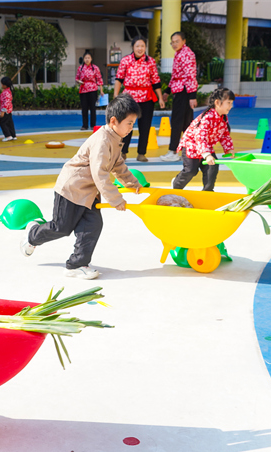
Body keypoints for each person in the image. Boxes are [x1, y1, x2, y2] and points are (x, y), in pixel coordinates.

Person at [20, 94, 142, 280]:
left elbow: (118, 166)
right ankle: (32, 234)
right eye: (129, 123)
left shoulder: (115, 139)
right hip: (72, 189)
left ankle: (76, 264)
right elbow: (99, 173)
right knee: (61, 227)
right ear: (114, 120)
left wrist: (133, 184)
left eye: (133, 123)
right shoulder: (102, 140)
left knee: (92, 225)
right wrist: (116, 199)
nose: (131, 128)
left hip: (88, 193)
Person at [171, 88, 236, 191]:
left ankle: (207, 191)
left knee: (212, 168)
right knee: (191, 170)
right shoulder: (207, 117)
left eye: (231, 103)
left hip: (206, 147)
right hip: (192, 146)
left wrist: (229, 149)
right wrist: (206, 154)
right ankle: (176, 185)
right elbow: (200, 137)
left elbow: (224, 135)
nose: (231, 106)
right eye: (228, 103)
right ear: (217, 103)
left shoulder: (223, 118)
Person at [113, 36, 166, 162]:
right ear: (133, 47)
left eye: (142, 46)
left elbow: (156, 81)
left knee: (145, 127)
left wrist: (160, 98)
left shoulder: (151, 62)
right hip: (129, 98)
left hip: (146, 98)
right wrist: (116, 95)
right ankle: (123, 152)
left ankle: (141, 153)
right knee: (126, 126)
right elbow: (119, 78)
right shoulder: (125, 61)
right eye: (137, 46)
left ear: (145, 47)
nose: (140, 48)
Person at [161, 31, 198, 162]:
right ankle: (188, 150)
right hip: (181, 90)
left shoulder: (186, 54)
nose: (174, 44)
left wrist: (192, 95)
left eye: (177, 41)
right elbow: (175, 76)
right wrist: (167, 91)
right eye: (172, 42)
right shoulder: (179, 54)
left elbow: (190, 75)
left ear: (184, 41)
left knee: (177, 122)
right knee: (186, 123)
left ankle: (173, 151)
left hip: (184, 91)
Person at [76, 51, 104, 131]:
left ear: (91, 59)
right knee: (84, 108)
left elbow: (99, 79)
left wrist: (101, 90)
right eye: (85, 58)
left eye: (88, 58)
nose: (87, 59)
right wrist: (79, 81)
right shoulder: (80, 68)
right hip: (83, 90)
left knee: (93, 108)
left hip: (93, 90)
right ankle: (84, 125)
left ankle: (93, 125)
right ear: (83, 59)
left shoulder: (95, 68)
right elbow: (77, 78)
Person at [0, 77, 17, 142]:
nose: (1, 85)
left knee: (2, 123)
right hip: (8, 110)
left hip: (6, 111)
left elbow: (6, 102)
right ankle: (13, 135)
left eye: (2, 84)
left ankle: (8, 135)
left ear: (5, 85)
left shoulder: (7, 93)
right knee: (9, 123)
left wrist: (3, 111)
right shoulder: (6, 91)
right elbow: (0, 97)